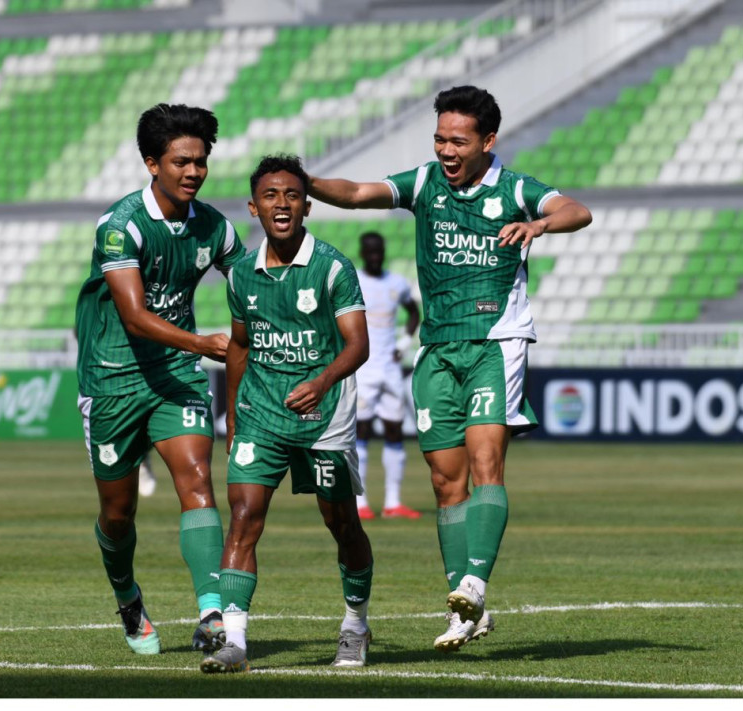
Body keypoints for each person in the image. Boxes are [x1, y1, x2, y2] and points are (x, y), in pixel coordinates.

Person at [307, 85, 592, 652]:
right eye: (439, 138)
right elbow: (360, 192)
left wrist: (538, 226)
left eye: (457, 140)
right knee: (444, 481)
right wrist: (304, 182)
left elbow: (575, 210)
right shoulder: (425, 184)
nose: (445, 149)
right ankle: (467, 611)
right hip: (436, 350)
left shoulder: (515, 189)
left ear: (488, 141)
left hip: (496, 341)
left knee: (486, 463)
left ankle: (474, 584)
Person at [75, 103, 246, 655]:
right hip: (111, 379)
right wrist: (205, 342)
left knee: (197, 480)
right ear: (152, 163)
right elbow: (133, 316)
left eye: (201, 161)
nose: (193, 172)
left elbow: (251, 282)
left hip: (176, 376)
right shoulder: (121, 226)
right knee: (118, 512)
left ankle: (212, 614)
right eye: (181, 162)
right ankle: (127, 595)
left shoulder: (215, 227)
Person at [201, 155, 373, 674]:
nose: (282, 204)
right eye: (271, 196)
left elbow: (358, 345)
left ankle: (355, 626)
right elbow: (238, 346)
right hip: (260, 414)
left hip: (325, 415)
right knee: (243, 518)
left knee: (340, 522)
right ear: (254, 208)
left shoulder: (332, 267)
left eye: (292, 195)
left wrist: (320, 382)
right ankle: (235, 643)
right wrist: (232, 416)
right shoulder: (240, 276)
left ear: (307, 206)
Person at [353, 231, 422, 521]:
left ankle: (393, 502)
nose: (375, 257)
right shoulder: (353, 281)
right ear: (362, 253)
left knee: (395, 431)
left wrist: (404, 345)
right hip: (363, 369)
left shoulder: (396, 283)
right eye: (370, 252)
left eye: (378, 252)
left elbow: (414, 314)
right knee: (361, 433)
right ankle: (360, 503)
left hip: (390, 370)